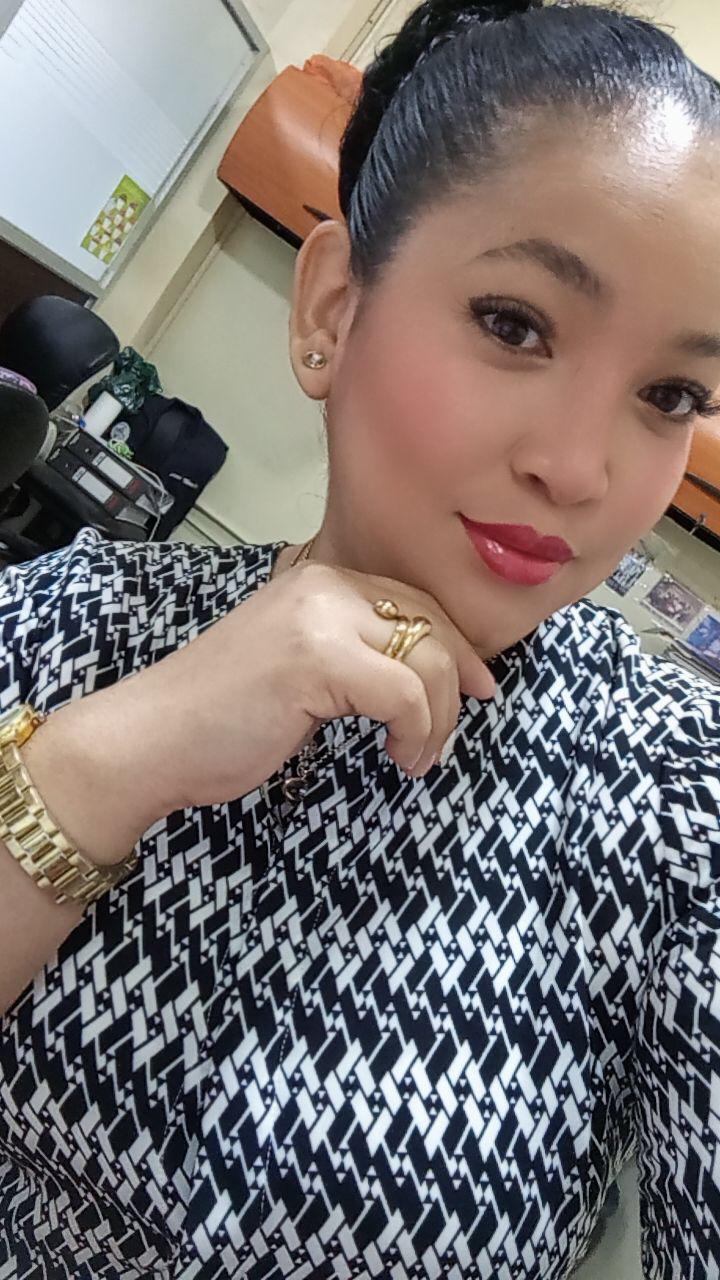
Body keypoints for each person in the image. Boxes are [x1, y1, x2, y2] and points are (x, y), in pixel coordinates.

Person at [0, 0, 718, 1276]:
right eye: (516, 323)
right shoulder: (65, 621)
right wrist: (105, 763)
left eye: (670, 394)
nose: (578, 468)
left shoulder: (673, 796)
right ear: (331, 304)